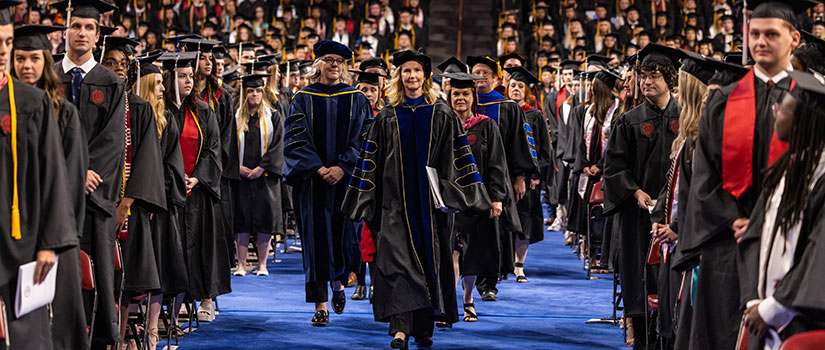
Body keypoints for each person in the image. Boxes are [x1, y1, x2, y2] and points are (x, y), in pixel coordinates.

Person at [680, 2, 816, 349]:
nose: (760, 42)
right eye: (754, 34)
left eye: (771, 34)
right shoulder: (723, 101)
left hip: (791, 242)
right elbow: (704, 174)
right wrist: (736, 220)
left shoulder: (813, 100)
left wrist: (769, 224)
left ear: (794, 38)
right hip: (730, 240)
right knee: (726, 332)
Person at [342, 49, 491, 350]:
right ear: (399, 76)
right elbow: (370, 160)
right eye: (406, 71)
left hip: (429, 207)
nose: (411, 76)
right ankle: (399, 329)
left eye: (417, 71)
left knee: (428, 263)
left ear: (426, 77)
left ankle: (423, 327)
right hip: (393, 205)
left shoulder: (441, 113)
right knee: (397, 264)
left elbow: (457, 158)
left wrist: (453, 194)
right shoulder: (387, 115)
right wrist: (365, 200)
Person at [0, 6, 81, 348]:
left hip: (21, 240)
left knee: (24, 336)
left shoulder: (31, 104)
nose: (4, 52)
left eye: (6, 43)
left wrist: (50, 242)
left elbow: (53, 174)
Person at [52, 0, 127, 346]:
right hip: (53, 193)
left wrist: (86, 173)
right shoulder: (48, 76)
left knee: (96, 272)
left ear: (98, 35)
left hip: (94, 199)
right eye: (76, 26)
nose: (81, 33)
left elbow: (113, 140)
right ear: (66, 29)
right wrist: (70, 173)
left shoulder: (111, 82)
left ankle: (96, 340)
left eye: (89, 28)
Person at [283, 40, 371, 327]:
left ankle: (340, 283)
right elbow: (296, 138)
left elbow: (364, 139)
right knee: (316, 241)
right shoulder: (302, 98)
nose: (334, 64)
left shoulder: (356, 98)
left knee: (345, 237)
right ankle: (320, 305)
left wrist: (343, 166)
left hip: (346, 182)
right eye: (328, 59)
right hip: (313, 183)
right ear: (317, 63)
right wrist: (319, 168)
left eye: (338, 61)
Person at [737, 70, 825, 350]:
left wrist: (774, 308)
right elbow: (754, 238)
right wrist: (753, 300)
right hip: (761, 315)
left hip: (796, 318)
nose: (775, 113)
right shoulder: (784, 170)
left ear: (802, 120)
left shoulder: (820, 178)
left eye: (781, 108)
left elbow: (817, 256)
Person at [603, 43, 683, 350]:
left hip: (673, 216)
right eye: (644, 76)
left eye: (654, 76)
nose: (647, 82)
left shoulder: (686, 117)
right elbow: (614, 166)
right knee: (638, 273)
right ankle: (641, 336)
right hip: (638, 214)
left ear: (670, 80)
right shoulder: (629, 120)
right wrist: (634, 191)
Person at [98, 35, 167, 349]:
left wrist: (125, 204)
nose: (117, 70)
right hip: (95, 204)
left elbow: (147, 160)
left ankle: (121, 336)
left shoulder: (138, 108)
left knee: (126, 279)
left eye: (123, 65)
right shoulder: (93, 101)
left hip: (129, 207)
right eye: (110, 63)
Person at [160, 51, 228, 324]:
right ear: (169, 78)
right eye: (182, 76)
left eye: (191, 76)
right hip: (166, 191)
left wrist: (197, 178)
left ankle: (205, 298)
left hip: (197, 191)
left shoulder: (203, 109)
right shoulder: (158, 110)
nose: (189, 81)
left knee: (201, 246)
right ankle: (172, 303)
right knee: (173, 249)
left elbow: (214, 150)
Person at [443, 71, 511, 323]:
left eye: (465, 94)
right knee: (451, 251)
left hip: (476, 199)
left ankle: (468, 298)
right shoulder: (441, 123)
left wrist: (497, 198)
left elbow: (496, 163)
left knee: (472, 253)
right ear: (449, 96)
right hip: (448, 199)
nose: (460, 98)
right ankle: (449, 301)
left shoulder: (485, 125)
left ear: (473, 97)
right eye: (456, 94)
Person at [467, 54, 537, 301]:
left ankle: (489, 283)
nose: (480, 78)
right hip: (466, 179)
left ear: (496, 79)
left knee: (494, 231)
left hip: (498, 178)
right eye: (476, 73)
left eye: (485, 73)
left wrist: (519, 176)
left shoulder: (507, 106)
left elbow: (519, 145)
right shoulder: (464, 103)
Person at [182, 39, 237, 304]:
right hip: (183, 176)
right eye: (202, 57)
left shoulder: (221, 96)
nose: (208, 61)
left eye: (210, 57)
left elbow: (224, 140)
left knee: (212, 239)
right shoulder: (180, 99)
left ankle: (208, 297)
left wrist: (207, 174)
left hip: (214, 178)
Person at [503, 66, 553, 282]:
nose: (515, 89)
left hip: (528, 178)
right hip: (503, 178)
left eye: (520, 86)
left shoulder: (534, 115)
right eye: (512, 85)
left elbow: (544, 150)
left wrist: (535, 176)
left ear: (526, 91)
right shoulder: (501, 112)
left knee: (524, 220)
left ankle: (519, 264)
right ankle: (503, 263)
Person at [233, 73, 284, 277]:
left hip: (265, 177)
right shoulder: (235, 117)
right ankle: (242, 265)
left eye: (257, 91)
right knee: (241, 220)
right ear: (244, 94)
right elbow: (226, 144)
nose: (254, 94)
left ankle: (262, 264)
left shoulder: (273, 116)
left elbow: (278, 144)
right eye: (250, 91)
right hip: (241, 177)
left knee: (265, 219)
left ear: (263, 92)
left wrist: (262, 168)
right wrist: (237, 167)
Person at [574, 69, 622, 272]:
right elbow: (581, 142)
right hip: (589, 172)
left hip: (608, 172)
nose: (591, 90)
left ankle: (603, 258)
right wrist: (585, 165)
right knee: (590, 214)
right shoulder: (589, 111)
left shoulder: (619, 111)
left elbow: (616, 145)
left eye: (594, 87)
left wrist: (600, 167)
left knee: (604, 216)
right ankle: (591, 253)